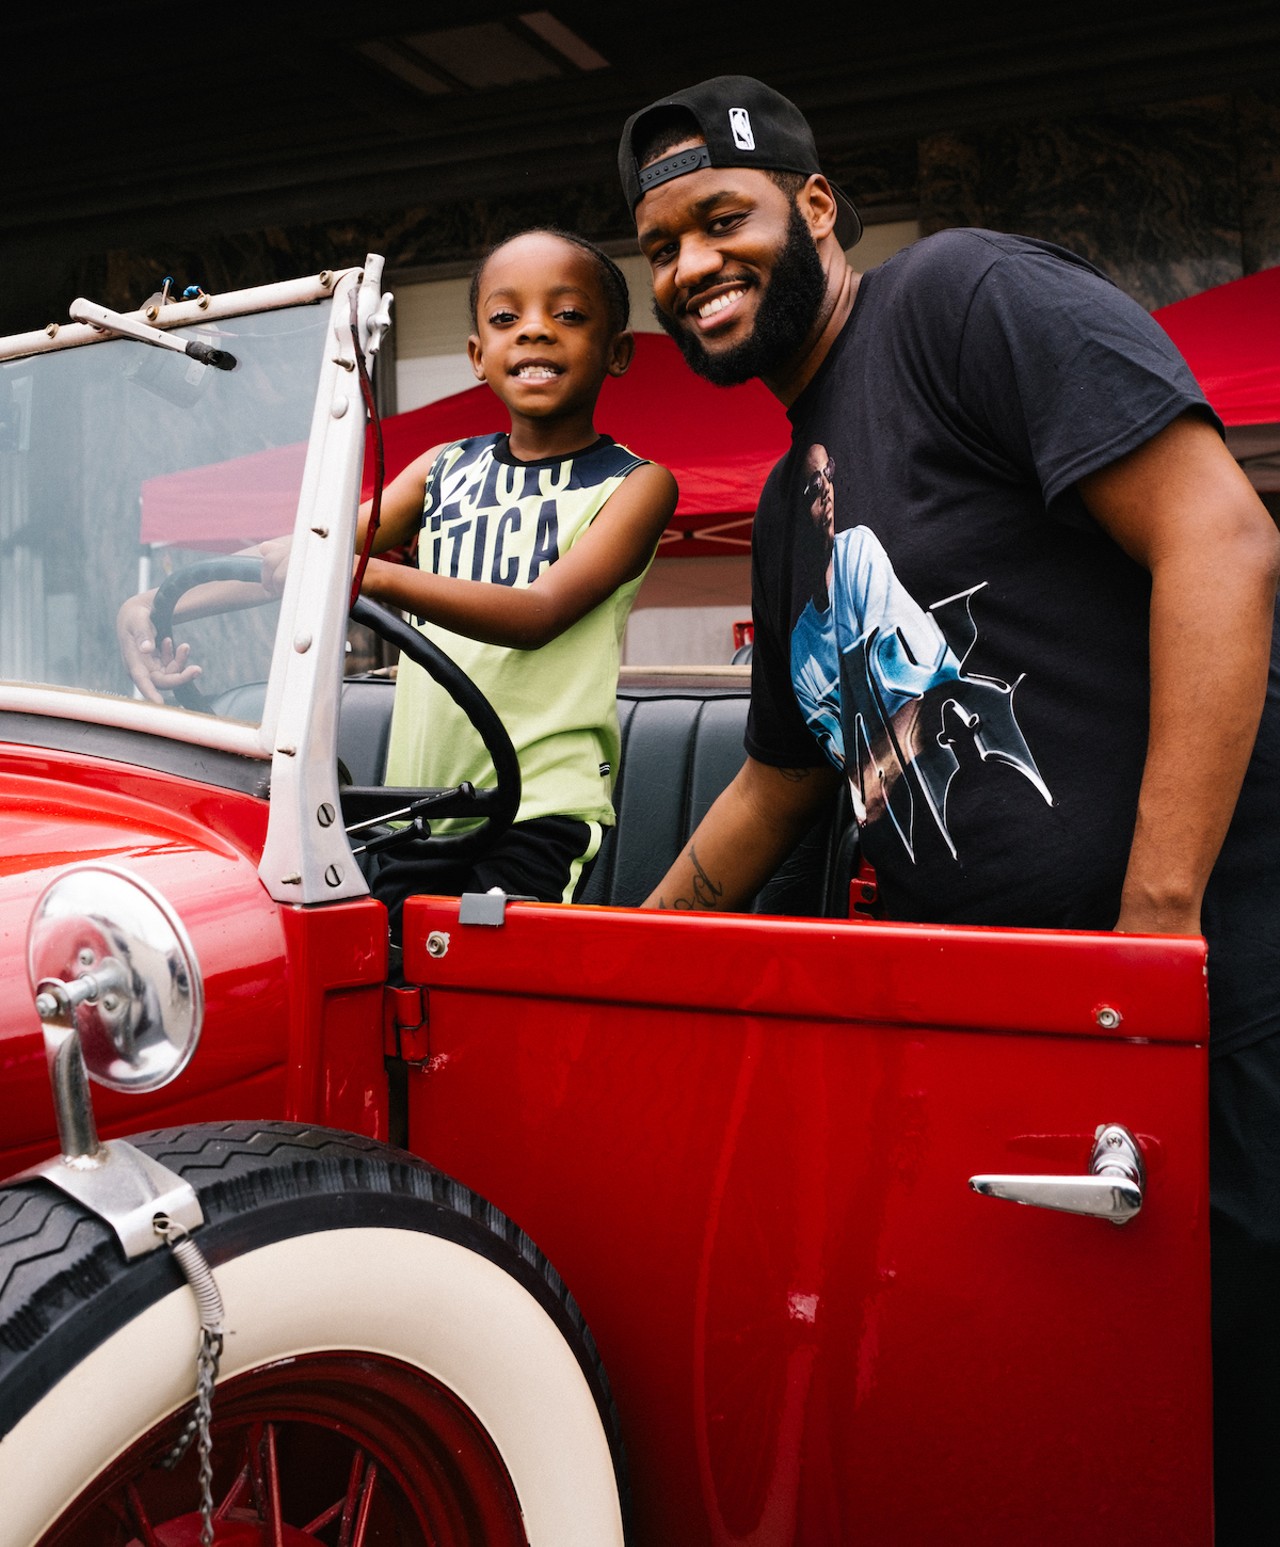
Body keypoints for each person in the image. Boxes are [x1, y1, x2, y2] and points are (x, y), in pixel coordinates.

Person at [617, 75, 1280, 1540]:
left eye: (721, 220)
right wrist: (621, 952)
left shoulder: (959, 297)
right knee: (1085, 1440)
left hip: (1204, 1006)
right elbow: (785, 776)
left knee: (1237, 1436)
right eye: (659, 249)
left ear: (815, 207)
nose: (689, 270)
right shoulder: (794, 500)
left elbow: (1223, 539)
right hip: (1013, 1048)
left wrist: (1153, 937)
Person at [119, 228, 678, 934]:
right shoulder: (443, 468)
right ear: (478, 355)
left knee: (484, 993)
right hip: (421, 805)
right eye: (506, 318)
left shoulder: (635, 485)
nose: (535, 330)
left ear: (617, 351)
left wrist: (372, 574)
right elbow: (303, 553)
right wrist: (156, 602)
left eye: (568, 315)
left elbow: (537, 613)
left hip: (535, 812)